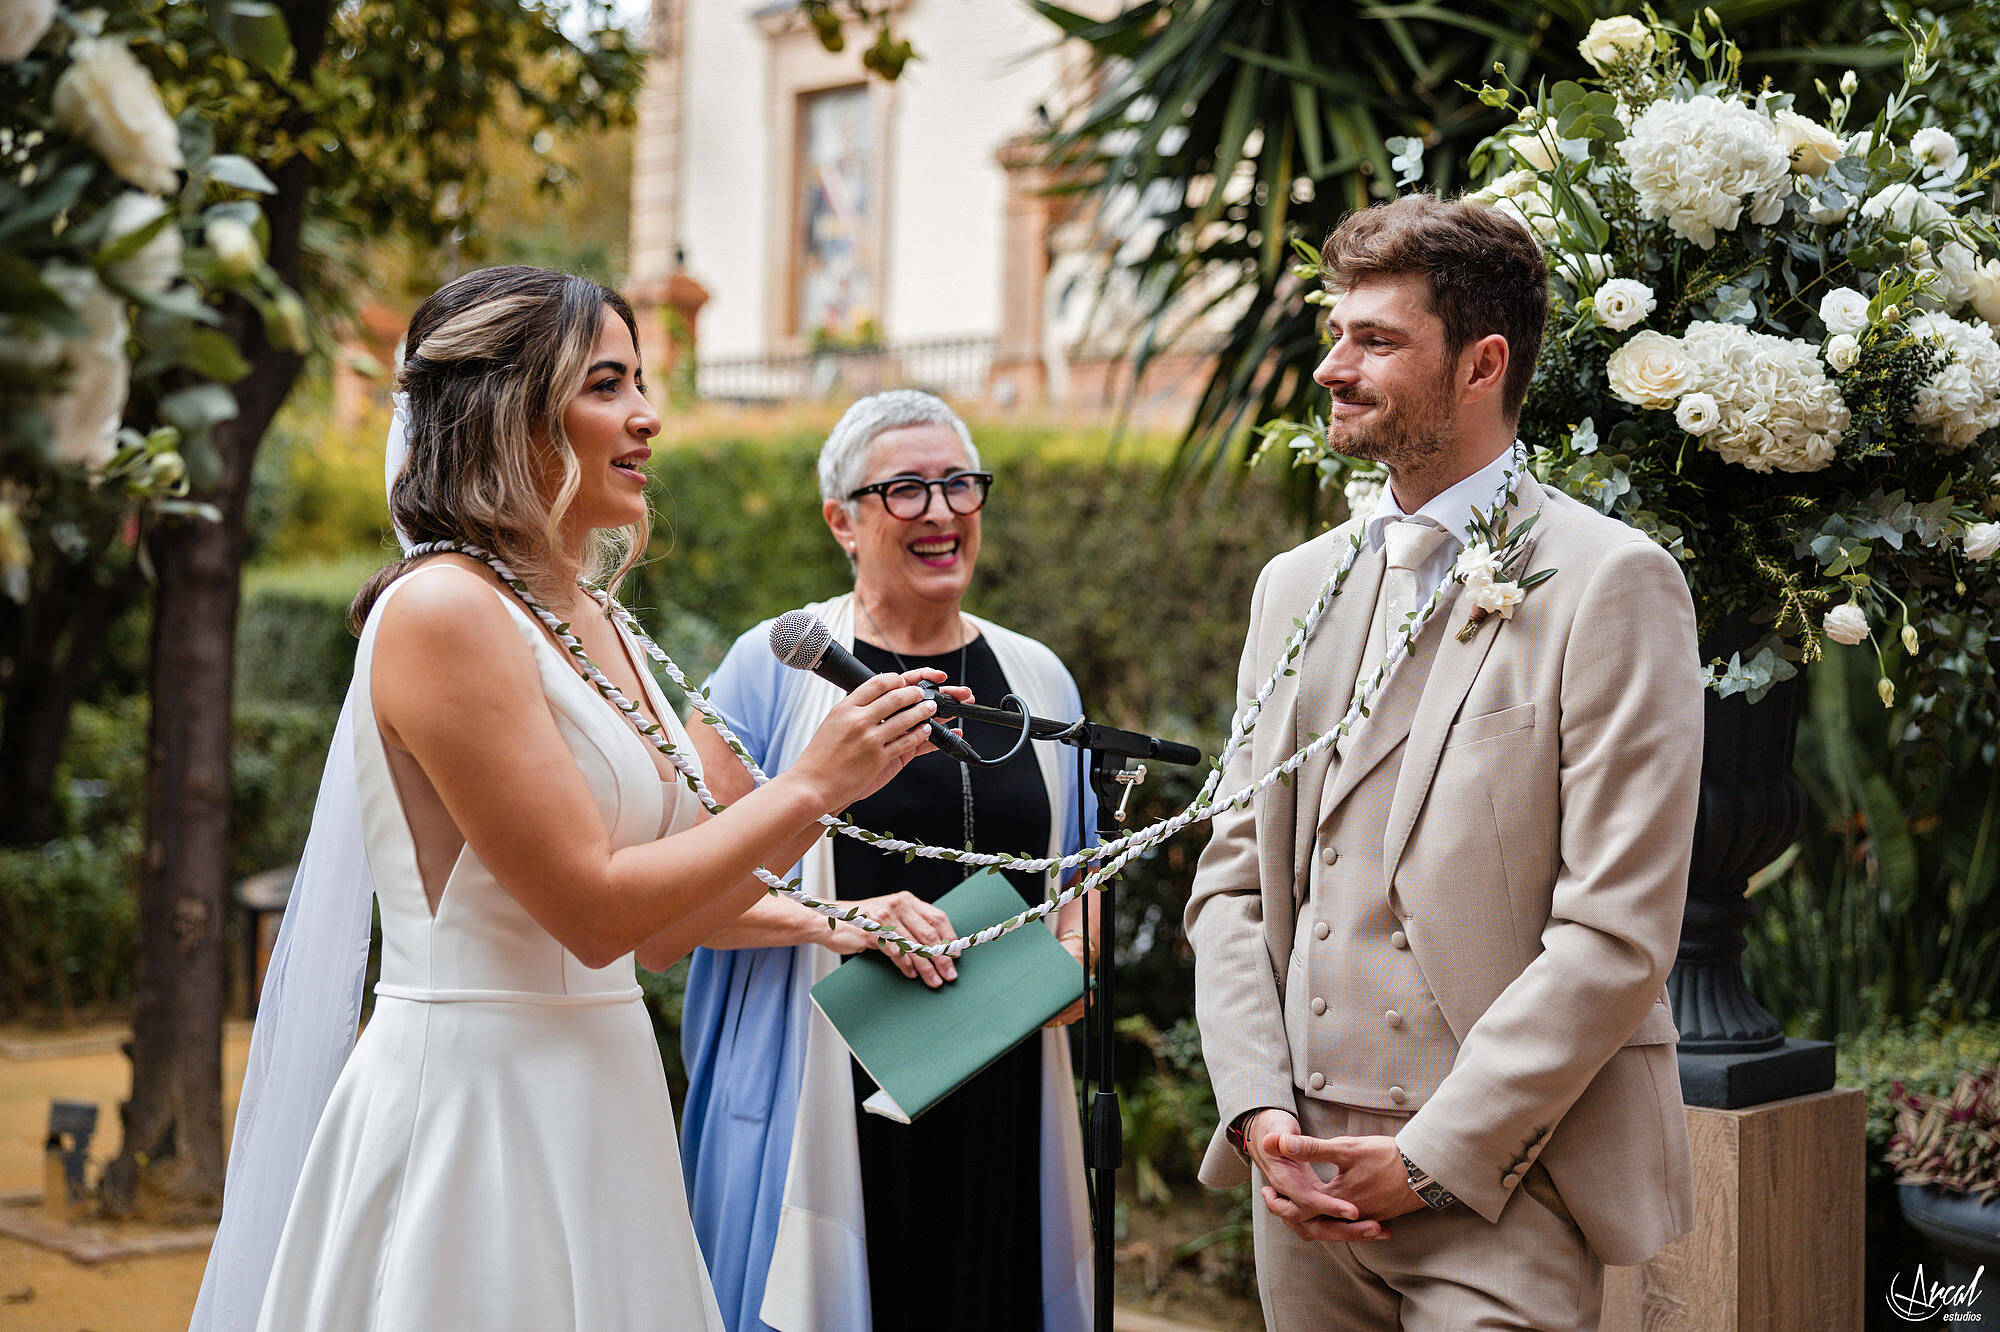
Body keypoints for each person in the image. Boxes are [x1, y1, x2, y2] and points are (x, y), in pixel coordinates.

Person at [190, 268, 952, 1331]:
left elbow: (665, 922)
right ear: (508, 414)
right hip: (477, 1110)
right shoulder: (442, 613)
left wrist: (837, 919)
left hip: (607, 1092)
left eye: (641, 379)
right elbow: (593, 911)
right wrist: (813, 787)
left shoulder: (597, 619)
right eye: (606, 384)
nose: (647, 414)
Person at [1185, 195, 1701, 1331]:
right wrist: (1258, 1113)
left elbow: (1614, 932)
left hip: (1501, 1193)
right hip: (1301, 1198)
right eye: (1337, 335)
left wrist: (1429, 1157)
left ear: (1481, 364)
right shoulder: (1292, 585)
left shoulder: (1611, 582)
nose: (1332, 367)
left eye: (1374, 341)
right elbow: (1227, 882)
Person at [678, 390, 1094, 1332]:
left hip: (1004, 1090)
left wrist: (1079, 956)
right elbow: (687, 886)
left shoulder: (1038, 678)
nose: (941, 512)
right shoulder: (771, 670)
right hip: (819, 1086)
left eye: (959, 486)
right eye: (905, 489)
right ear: (843, 520)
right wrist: (848, 924)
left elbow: (1085, 878)